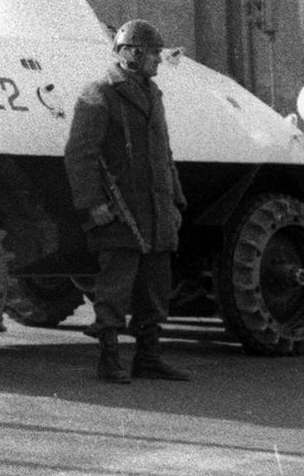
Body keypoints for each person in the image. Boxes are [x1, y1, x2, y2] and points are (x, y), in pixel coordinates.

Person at [63, 19, 192, 385]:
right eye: (153, 54)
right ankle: (109, 359)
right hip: (120, 211)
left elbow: (163, 155)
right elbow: (80, 154)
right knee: (115, 289)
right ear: (132, 54)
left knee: (155, 289)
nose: (158, 61)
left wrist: (175, 202)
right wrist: (93, 205)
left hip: (155, 210)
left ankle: (148, 358)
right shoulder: (100, 93)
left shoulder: (153, 94)